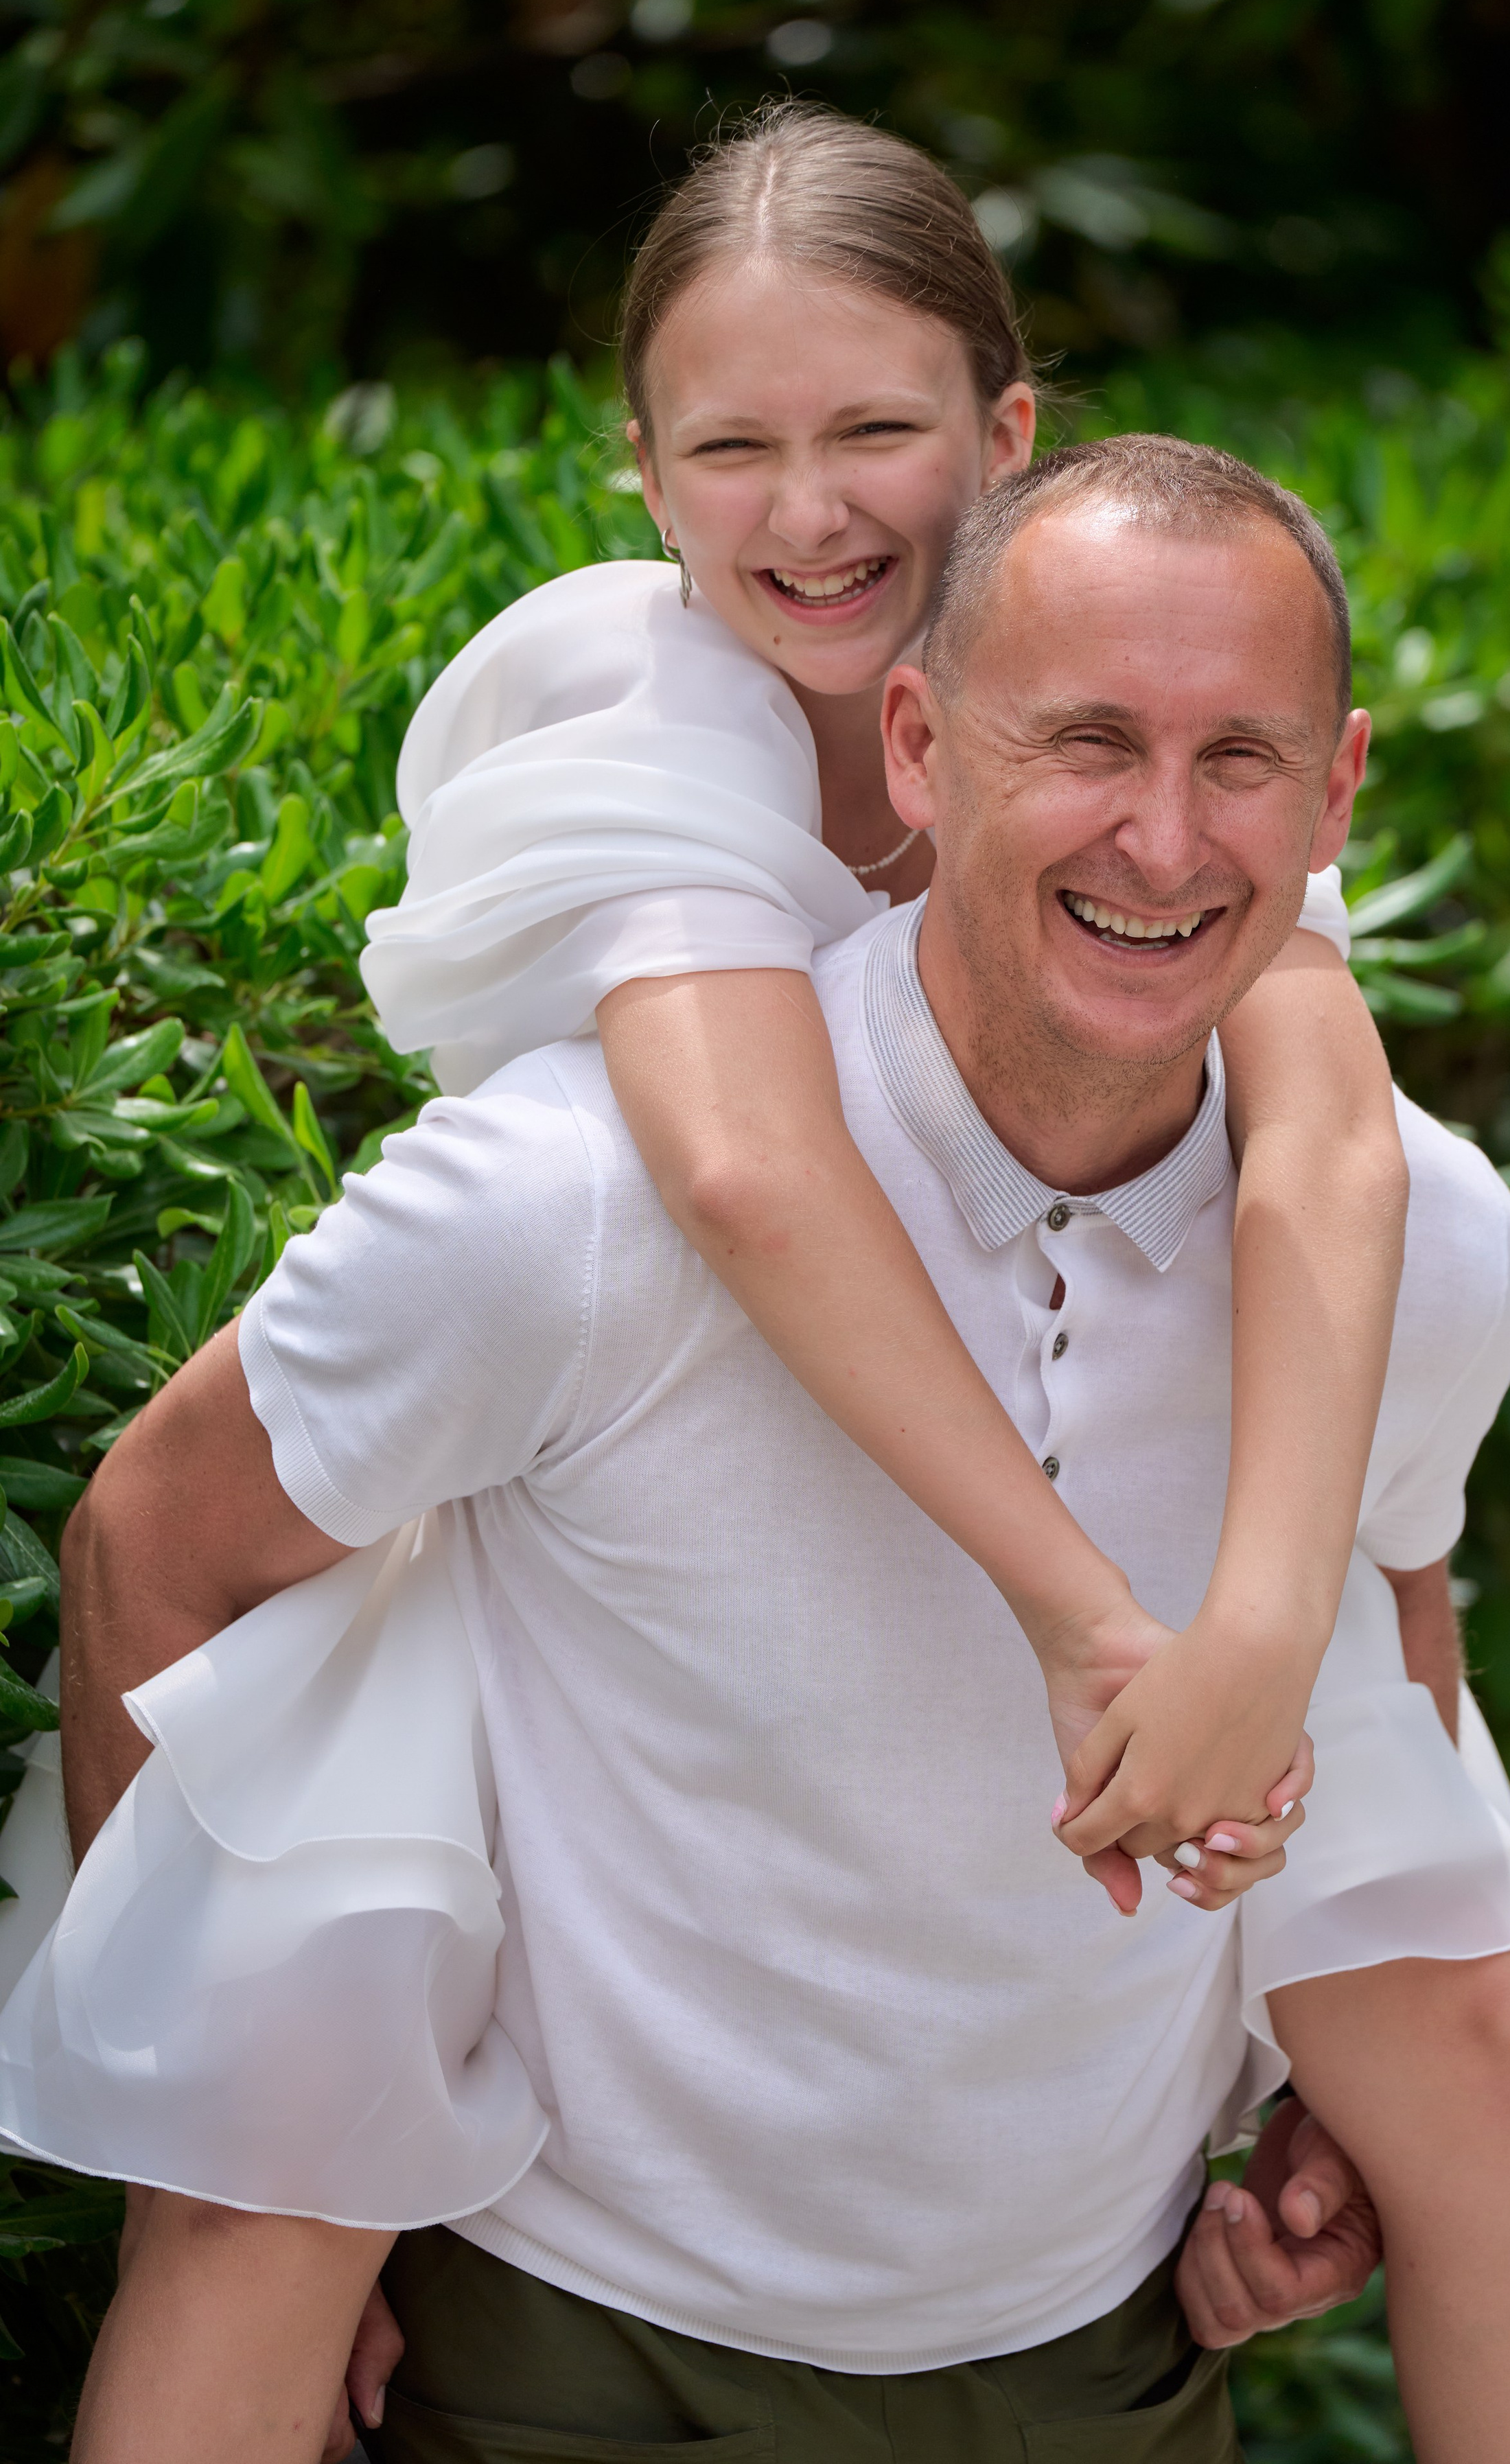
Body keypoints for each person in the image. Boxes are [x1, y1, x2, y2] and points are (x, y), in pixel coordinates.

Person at [12, 434, 1510, 2462]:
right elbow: (149, 1549)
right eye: (1086, 743)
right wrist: (227, 2162)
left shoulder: (1425, 1239)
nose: (1161, 839)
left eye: (1240, 760)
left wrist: (1309, 2070)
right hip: (577, 2365)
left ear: (1338, 794)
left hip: (1113, 2373)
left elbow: (1397, 1593)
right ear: (914, 744)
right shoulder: (577, 1201)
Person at [359, 104, 1410, 1898]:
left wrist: (1264, 1624)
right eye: (734, 446)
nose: (812, 509)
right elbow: (752, 1172)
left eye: (876, 432)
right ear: (646, 468)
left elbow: (1331, 1134)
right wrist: (1090, 1618)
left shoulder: (1117, 690)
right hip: (627, 1511)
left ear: (1005, 435)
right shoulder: (639, 691)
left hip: (965, 1520)